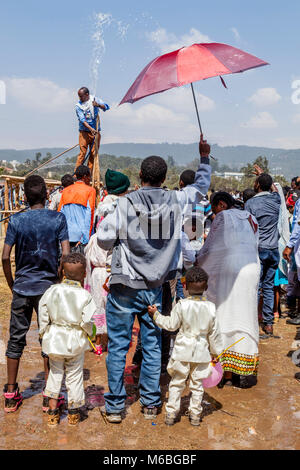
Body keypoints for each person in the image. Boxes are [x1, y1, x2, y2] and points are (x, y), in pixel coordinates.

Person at [97, 135, 212, 423]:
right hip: (156, 288)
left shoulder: (124, 205)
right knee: (151, 345)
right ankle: (150, 402)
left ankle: (114, 408)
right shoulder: (177, 199)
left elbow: (102, 239)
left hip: (125, 285)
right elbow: (200, 188)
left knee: (119, 347)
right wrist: (204, 158)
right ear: (165, 178)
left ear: (140, 176)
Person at [2, 175, 70, 413]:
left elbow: (4, 257)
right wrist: (58, 279)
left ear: (26, 197)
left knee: (16, 339)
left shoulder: (17, 221)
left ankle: (10, 393)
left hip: (21, 287)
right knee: (49, 339)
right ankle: (49, 395)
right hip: (48, 290)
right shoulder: (58, 219)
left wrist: (13, 284)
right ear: (45, 195)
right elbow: (65, 255)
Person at [197, 191, 260, 388]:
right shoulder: (251, 217)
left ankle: (226, 373)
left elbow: (210, 248)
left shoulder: (223, 217)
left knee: (224, 315)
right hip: (252, 268)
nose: (215, 214)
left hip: (230, 270)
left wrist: (197, 261)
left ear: (222, 205)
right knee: (246, 316)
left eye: (214, 210)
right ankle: (243, 368)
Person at [147, 266, 223, 426]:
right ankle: (195, 415)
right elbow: (214, 334)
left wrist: (156, 315)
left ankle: (171, 414)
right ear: (206, 287)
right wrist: (216, 353)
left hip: (182, 351)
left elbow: (171, 325)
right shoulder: (211, 307)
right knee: (197, 385)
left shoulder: (181, 305)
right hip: (201, 353)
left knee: (176, 382)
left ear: (185, 286)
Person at [39, 253, 96, 426]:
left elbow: (43, 313)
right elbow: (87, 322)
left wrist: (44, 332)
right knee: (75, 376)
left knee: (55, 375)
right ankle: (73, 414)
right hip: (75, 342)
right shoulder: (85, 296)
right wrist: (91, 334)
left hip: (55, 339)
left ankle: (53, 413)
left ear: (62, 273)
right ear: (85, 274)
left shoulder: (52, 291)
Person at [85, 169, 130, 356]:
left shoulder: (102, 205)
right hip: (112, 265)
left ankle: (98, 343)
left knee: (97, 305)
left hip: (98, 264)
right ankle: (113, 342)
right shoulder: (122, 207)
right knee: (114, 306)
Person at [245, 166, 281, 336]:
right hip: (273, 249)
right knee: (268, 286)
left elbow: (247, 228)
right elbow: (275, 189)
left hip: (258, 249)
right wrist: (263, 176)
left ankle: (251, 321)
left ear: (258, 185)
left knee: (255, 286)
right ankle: (268, 323)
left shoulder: (250, 203)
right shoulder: (276, 200)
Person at [58, 165, 96, 253]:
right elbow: (89, 215)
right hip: (81, 238)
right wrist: (85, 239)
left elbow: (60, 214)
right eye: (89, 176)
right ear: (85, 176)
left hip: (66, 236)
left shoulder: (66, 190)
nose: (90, 179)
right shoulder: (90, 191)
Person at [75, 87, 110, 171]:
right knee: (82, 153)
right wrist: (91, 129)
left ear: (87, 95)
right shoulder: (78, 106)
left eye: (81, 96)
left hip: (95, 132)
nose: (80, 98)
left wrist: (97, 105)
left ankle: (88, 174)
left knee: (93, 153)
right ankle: (77, 174)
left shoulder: (94, 99)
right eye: (79, 96)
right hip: (84, 132)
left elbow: (106, 107)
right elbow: (82, 120)